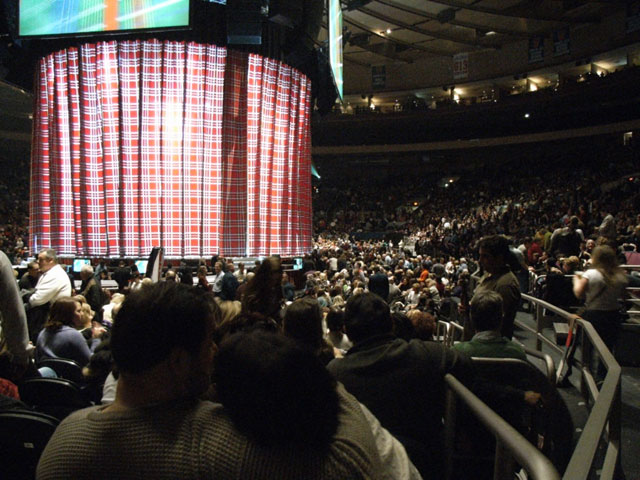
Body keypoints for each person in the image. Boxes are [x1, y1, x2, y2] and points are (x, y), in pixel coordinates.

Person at [37, 282, 384, 480]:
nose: (216, 351)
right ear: (177, 360)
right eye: (208, 343)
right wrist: (313, 375)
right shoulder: (217, 446)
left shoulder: (64, 441)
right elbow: (352, 469)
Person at [327, 292, 471, 480]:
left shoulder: (335, 373)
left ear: (346, 329)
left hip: (367, 471)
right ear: (391, 324)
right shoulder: (428, 354)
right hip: (429, 467)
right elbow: (468, 368)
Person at [573, 245, 628, 358]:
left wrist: (576, 281)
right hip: (613, 314)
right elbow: (624, 296)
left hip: (594, 313)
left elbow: (579, 293)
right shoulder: (620, 275)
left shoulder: (590, 274)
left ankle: (586, 371)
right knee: (607, 348)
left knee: (588, 346)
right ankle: (603, 373)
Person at [472, 235, 521, 339]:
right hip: (477, 338)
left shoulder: (505, 285)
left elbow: (498, 323)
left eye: (485, 256)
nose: (480, 260)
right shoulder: (488, 274)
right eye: (480, 255)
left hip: (490, 345)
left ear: (499, 258)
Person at [35, 297, 100, 367]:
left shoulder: (43, 333)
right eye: (78, 311)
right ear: (68, 314)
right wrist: (96, 339)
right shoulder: (73, 335)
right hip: (71, 377)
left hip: (46, 376)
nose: (81, 314)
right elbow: (90, 362)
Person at [25, 249, 73, 342]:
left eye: (41, 259)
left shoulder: (55, 275)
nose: (38, 262)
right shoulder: (49, 273)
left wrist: (28, 296)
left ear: (51, 260)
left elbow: (36, 299)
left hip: (52, 321)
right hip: (47, 319)